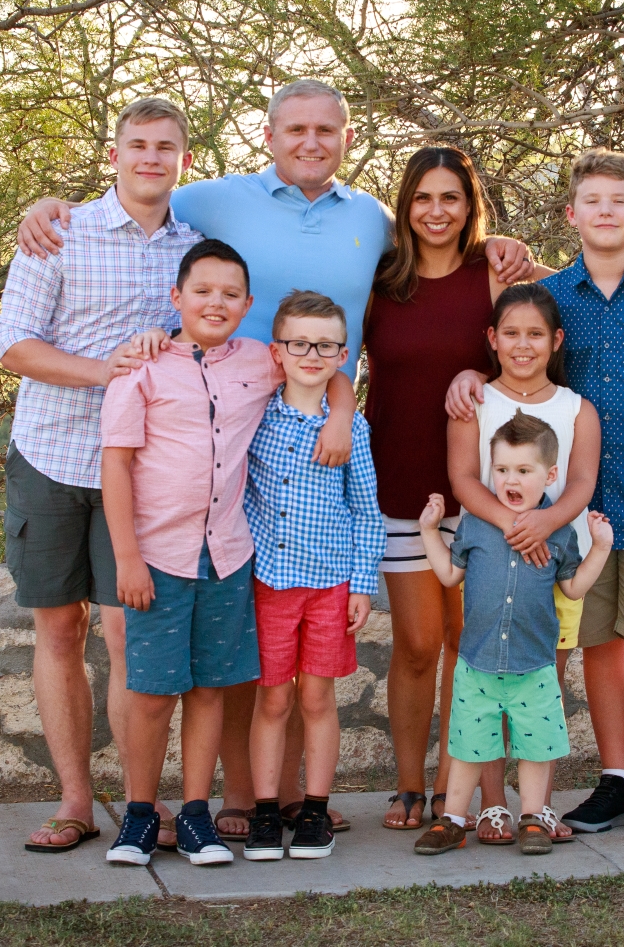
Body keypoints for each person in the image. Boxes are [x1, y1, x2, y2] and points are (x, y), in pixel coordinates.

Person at [18, 82, 534, 837]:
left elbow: (446, 249)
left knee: (289, 627)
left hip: (324, 442)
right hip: (222, 444)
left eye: (326, 130)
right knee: (240, 627)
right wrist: (48, 207)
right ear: (268, 135)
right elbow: (141, 184)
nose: (310, 142)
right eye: (295, 129)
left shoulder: (370, 219)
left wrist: (514, 250)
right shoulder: (214, 199)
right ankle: (231, 800)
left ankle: (292, 800)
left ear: (348, 139)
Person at [364, 146, 624, 835]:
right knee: (421, 644)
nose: (436, 210)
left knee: (481, 647)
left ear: (470, 206)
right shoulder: (379, 281)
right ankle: (413, 788)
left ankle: (488, 799)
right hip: (410, 482)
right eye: (422, 198)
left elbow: (575, 284)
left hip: (505, 502)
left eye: (451, 197)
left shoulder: (495, 269)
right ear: (405, 206)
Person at [448, 148, 624, 837]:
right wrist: (463, 374)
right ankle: (615, 779)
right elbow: (510, 342)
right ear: (571, 214)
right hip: (574, 513)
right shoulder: (557, 296)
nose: (606, 212)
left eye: (620, 201)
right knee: (600, 645)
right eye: (592, 201)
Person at [97, 240, 358, 866]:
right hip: (157, 556)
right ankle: (138, 815)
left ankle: (195, 817)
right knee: (154, 692)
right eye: (203, 290)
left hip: (228, 556)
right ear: (176, 298)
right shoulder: (142, 370)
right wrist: (126, 557)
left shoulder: (259, 362)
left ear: (246, 304)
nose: (216, 302)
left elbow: (328, 371)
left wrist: (343, 415)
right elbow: (116, 466)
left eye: (230, 293)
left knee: (210, 690)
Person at [0, 97, 200, 852]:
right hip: (51, 454)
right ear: (114, 153)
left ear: (185, 156)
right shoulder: (59, 231)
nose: (151, 157)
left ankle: (141, 804)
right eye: (138, 144)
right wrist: (103, 372)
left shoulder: (199, 243)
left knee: (127, 634)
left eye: (165, 146)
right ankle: (75, 801)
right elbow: (14, 346)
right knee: (58, 628)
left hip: (144, 469)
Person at [411, 413, 613, 856]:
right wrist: (429, 531)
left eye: (524, 470)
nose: (510, 479)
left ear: (550, 475)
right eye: (501, 470)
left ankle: (533, 819)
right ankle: (452, 821)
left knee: (536, 748)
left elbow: (574, 588)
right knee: (468, 747)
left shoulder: (557, 532)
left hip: (534, 664)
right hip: (476, 663)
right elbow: (448, 575)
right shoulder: (477, 525)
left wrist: (599, 547)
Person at [444, 282, 600, 844]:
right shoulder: (473, 402)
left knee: (541, 691)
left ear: (556, 340)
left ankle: (538, 808)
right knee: (486, 689)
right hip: (492, 567)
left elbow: (581, 483)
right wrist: (516, 526)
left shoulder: (577, 409)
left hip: (551, 561)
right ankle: (491, 805)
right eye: (511, 333)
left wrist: (547, 523)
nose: (523, 345)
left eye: (535, 334)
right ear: (492, 338)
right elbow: (464, 479)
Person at [242, 290, 387, 861]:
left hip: (329, 585)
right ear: (277, 350)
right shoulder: (256, 416)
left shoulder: (352, 431)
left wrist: (362, 584)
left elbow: (366, 510)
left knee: (319, 700)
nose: (311, 353)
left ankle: (315, 813)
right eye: (299, 343)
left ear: (342, 354)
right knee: (273, 701)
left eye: (324, 345)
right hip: (269, 583)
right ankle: (263, 813)